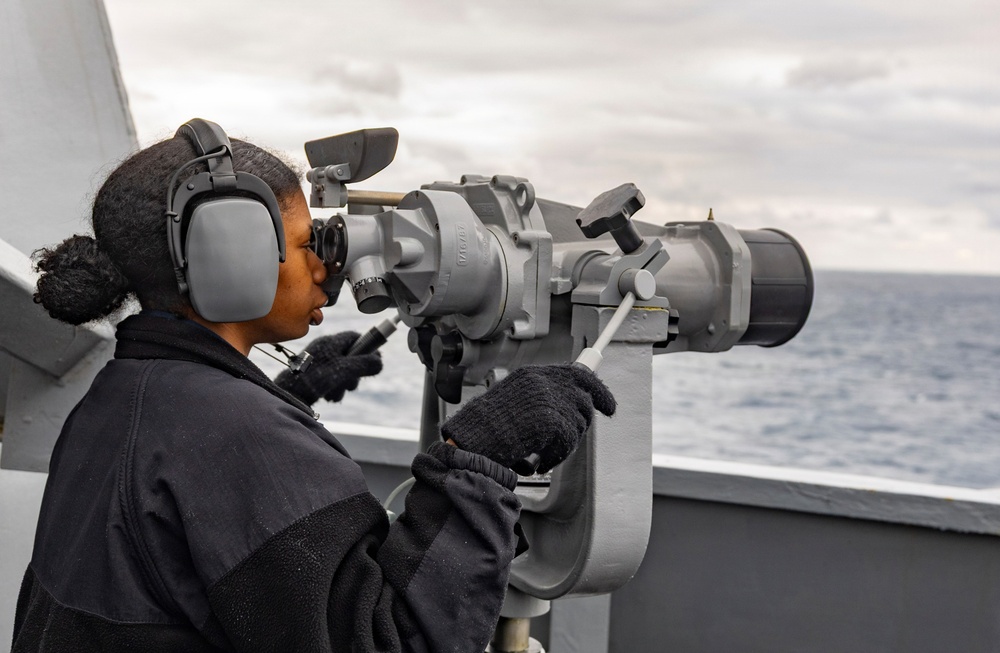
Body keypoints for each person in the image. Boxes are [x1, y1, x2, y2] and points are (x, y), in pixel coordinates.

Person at [12, 120, 616, 653]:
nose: (326, 268)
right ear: (234, 257)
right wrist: (479, 462)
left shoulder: (123, 395)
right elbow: (393, 640)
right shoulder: (238, 437)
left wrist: (288, 394)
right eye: (306, 245)